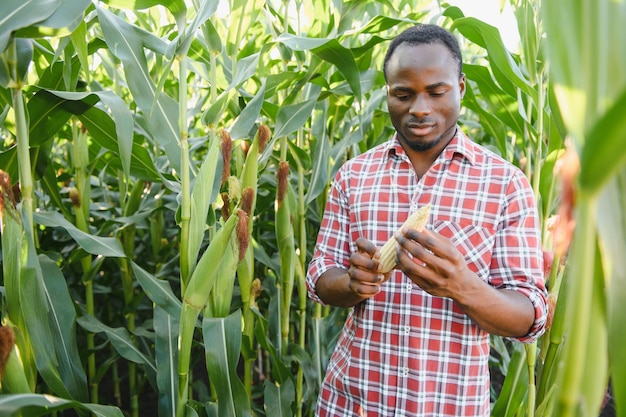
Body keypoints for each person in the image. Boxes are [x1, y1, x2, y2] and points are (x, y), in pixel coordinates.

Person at [306, 24, 548, 417]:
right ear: (387, 94)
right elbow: (320, 276)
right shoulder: (353, 175)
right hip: (352, 401)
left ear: (462, 88)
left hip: (448, 406)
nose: (420, 108)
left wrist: (463, 285)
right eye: (403, 94)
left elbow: (530, 315)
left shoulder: (506, 184)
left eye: (436, 92)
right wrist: (352, 283)